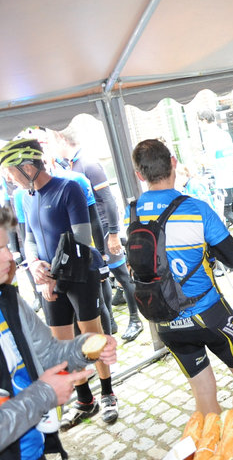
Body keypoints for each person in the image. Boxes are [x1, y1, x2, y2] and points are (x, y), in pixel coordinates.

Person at [126, 139, 233, 414]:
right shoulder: (196, 209)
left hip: (164, 320)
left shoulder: (134, 212)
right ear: (173, 163)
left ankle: (214, 449)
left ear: (140, 175)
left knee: (202, 390)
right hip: (207, 313)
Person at [0, 138, 120, 430]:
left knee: (92, 337)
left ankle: (107, 393)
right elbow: (28, 238)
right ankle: (84, 399)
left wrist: (50, 274)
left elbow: (80, 239)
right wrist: (34, 265)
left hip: (80, 273)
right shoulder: (24, 196)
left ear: (28, 166)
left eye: (12, 172)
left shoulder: (69, 188)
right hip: (49, 280)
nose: (9, 178)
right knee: (62, 343)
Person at [0, 205, 117, 459]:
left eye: (6, 246)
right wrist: (44, 394)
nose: (9, 258)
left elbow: (50, 353)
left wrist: (88, 346)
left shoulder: (8, 301)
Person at [51, 127, 143, 342]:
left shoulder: (89, 164)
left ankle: (135, 319)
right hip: (89, 234)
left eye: (53, 142)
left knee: (120, 273)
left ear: (62, 139)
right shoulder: (70, 165)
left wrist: (112, 233)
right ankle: (109, 322)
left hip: (102, 230)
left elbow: (108, 199)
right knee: (101, 280)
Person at [197, 109, 233, 244]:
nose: (200, 125)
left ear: (204, 120)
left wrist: (199, 160)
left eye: (199, 122)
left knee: (226, 211)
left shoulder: (210, 137)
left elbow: (210, 161)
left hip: (223, 179)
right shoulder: (224, 134)